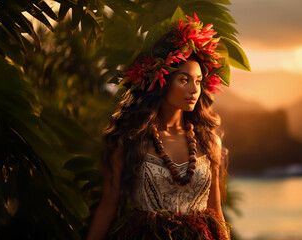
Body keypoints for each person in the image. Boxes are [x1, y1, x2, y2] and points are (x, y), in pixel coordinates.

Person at [87, 13, 231, 240]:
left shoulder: (209, 141)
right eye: (184, 80)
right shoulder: (129, 139)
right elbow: (107, 207)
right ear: (161, 81)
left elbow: (216, 211)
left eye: (198, 81)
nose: (194, 89)